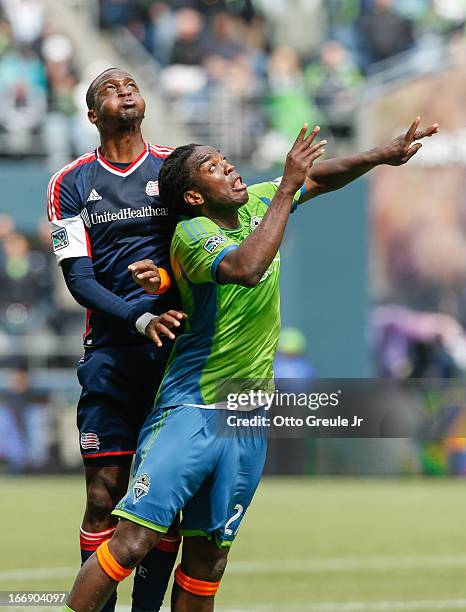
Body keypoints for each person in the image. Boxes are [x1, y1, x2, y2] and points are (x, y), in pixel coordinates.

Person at [63, 116, 438, 612]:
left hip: (246, 418)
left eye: (226, 160)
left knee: (207, 563)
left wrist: (380, 154)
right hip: (192, 409)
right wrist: (286, 185)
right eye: (215, 168)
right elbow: (246, 267)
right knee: (132, 542)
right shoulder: (191, 235)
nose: (232, 169)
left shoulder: (259, 201)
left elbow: (318, 177)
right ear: (195, 196)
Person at [47, 68, 187, 612]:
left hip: (175, 357)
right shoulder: (71, 183)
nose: (125, 90)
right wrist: (137, 317)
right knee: (103, 496)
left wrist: (168, 286)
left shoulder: (176, 169)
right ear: (92, 115)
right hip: (110, 355)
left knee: (164, 503)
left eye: (130, 83)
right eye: (110, 87)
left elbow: (200, 248)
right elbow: (78, 280)